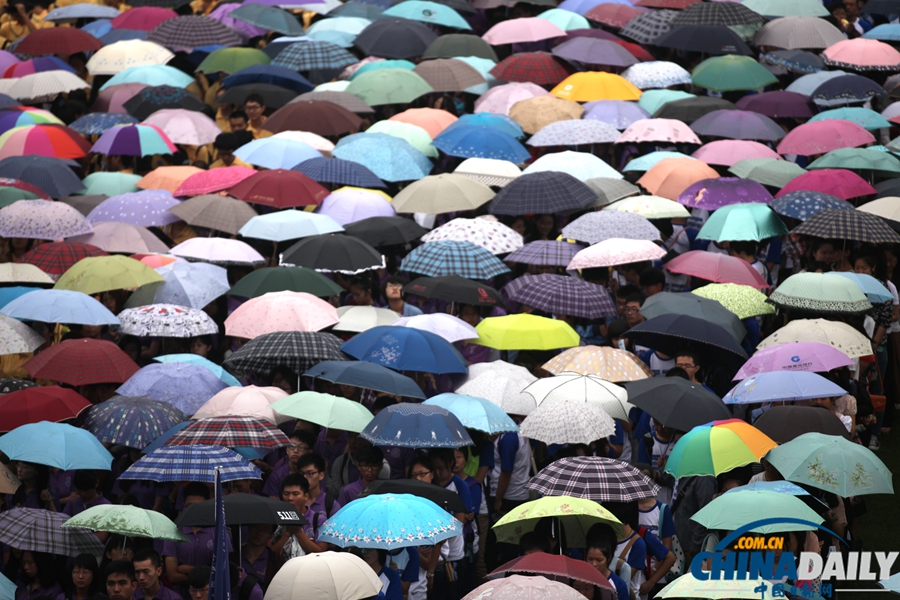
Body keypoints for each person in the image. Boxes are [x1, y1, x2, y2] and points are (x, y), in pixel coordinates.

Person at [273, 474, 328, 559]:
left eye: (295, 494)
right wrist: (287, 533)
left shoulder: (318, 519)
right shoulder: (275, 518)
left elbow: (321, 553)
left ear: (306, 496)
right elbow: (270, 553)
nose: (290, 498)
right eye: (286, 494)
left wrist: (298, 531)